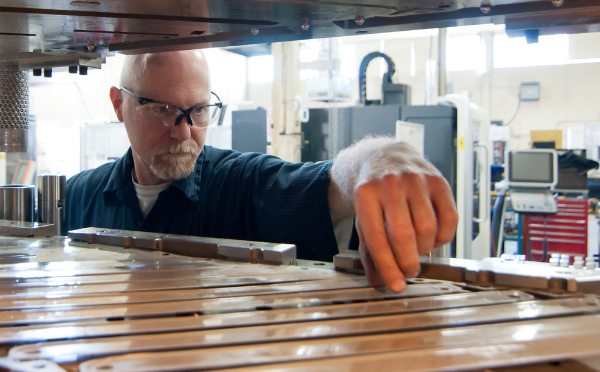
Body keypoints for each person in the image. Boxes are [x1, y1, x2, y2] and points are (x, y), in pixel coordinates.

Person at [65, 50, 458, 292]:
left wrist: (380, 157)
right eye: (162, 109)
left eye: (198, 110)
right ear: (119, 105)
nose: (183, 131)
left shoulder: (240, 185)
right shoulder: (79, 196)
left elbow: (325, 182)